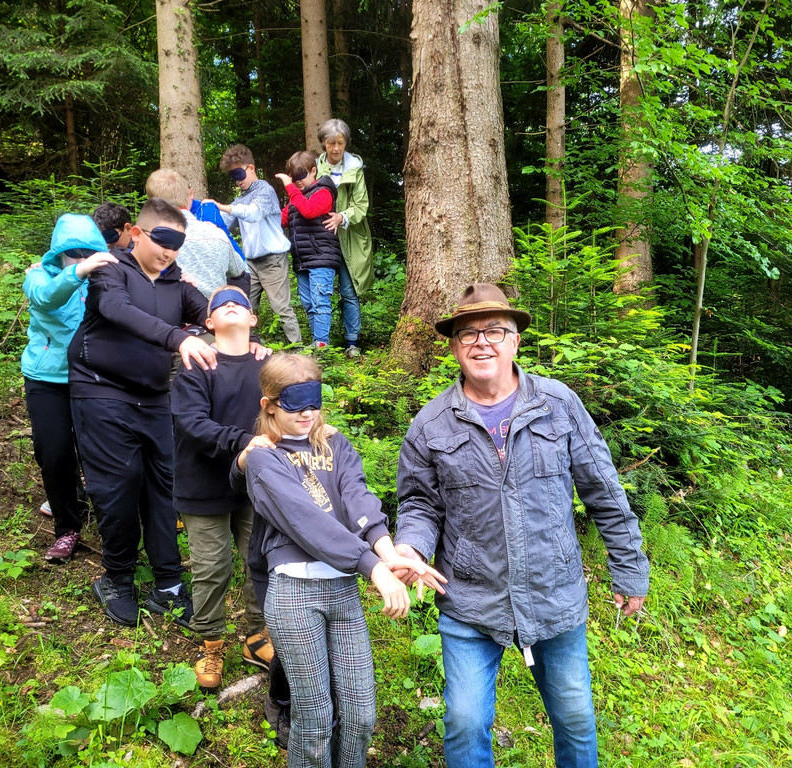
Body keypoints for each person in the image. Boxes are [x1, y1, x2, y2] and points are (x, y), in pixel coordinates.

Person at [394, 284, 650, 768]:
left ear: (515, 341)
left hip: (554, 594)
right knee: (465, 722)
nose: (481, 342)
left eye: (495, 330)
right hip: (471, 599)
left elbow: (604, 491)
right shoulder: (431, 425)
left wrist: (630, 567)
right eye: (468, 333)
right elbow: (419, 505)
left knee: (575, 719)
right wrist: (411, 548)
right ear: (453, 347)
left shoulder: (558, 403)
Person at [233, 353, 445, 768]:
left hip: (342, 591)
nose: (308, 414)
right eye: (297, 406)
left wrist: (392, 554)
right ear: (269, 404)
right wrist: (374, 569)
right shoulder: (262, 459)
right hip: (294, 595)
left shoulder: (336, 443)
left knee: (361, 715)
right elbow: (307, 523)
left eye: (314, 404)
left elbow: (359, 501)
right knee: (313, 718)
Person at [68, 197, 256, 628]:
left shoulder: (178, 284)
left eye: (177, 244)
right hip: (101, 392)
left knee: (163, 488)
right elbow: (117, 311)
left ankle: (168, 583)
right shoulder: (110, 271)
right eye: (162, 241)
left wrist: (247, 340)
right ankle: (116, 578)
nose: (169, 251)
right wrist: (178, 338)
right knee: (118, 486)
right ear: (136, 232)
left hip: (154, 397)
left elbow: (215, 313)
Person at [171, 286, 274, 689]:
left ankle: (256, 636)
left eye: (241, 303)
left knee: (258, 561)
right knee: (213, 568)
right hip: (203, 486)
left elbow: (287, 410)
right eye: (220, 305)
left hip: (255, 487)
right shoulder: (197, 364)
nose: (231, 304)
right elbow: (191, 423)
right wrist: (243, 442)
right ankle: (211, 642)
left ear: (252, 320)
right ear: (208, 322)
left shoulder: (268, 366)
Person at [21, 214, 118, 564]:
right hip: (47, 378)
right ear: (58, 253)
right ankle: (67, 529)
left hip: (93, 377)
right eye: (71, 252)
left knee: (102, 451)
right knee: (54, 452)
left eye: (86, 251)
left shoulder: (106, 276)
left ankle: (113, 523)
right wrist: (77, 272)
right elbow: (46, 298)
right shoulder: (39, 275)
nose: (80, 258)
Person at [207, 145, 303, 345]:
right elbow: (223, 222)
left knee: (281, 308)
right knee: (244, 306)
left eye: (239, 173)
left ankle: (299, 349)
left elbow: (253, 213)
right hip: (250, 263)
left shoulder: (265, 191)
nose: (237, 179)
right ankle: (245, 346)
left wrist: (224, 206)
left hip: (272, 260)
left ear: (251, 168)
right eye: (233, 176)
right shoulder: (241, 198)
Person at [145, 168, 249, 298]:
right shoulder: (217, 233)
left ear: (152, 203)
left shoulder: (147, 240)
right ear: (189, 194)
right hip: (213, 311)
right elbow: (239, 273)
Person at [316, 119, 373, 357]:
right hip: (322, 238)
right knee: (322, 290)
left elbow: (361, 205)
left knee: (349, 291)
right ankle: (322, 343)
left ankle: (352, 342)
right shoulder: (315, 168)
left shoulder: (355, 169)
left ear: (346, 143)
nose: (336, 148)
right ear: (323, 144)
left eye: (340, 143)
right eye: (331, 143)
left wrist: (342, 216)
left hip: (350, 237)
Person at [277, 151, 341, 349]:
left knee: (320, 301)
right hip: (302, 259)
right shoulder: (296, 198)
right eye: (292, 178)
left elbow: (309, 210)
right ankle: (318, 343)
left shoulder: (323, 191)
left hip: (321, 256)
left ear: (313, 171)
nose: (296, 181)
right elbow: (281, 219)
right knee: (308, 303)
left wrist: (289, 187)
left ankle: (321, 346)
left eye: (300, 176)